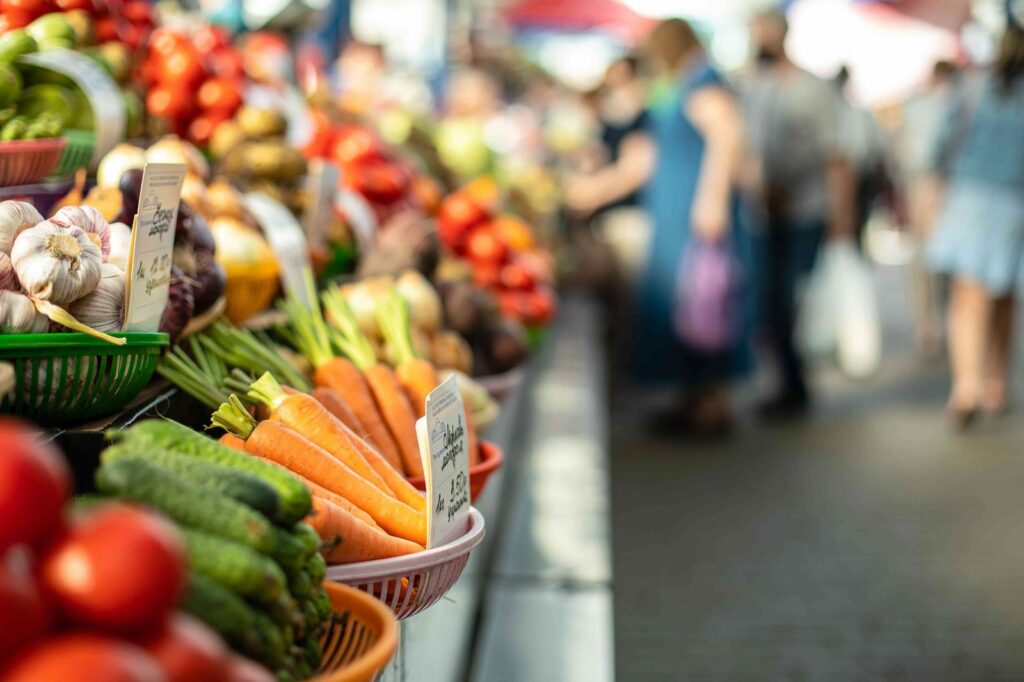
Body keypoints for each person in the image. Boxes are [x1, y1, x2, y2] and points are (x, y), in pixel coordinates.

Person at [567, 18, 747, 435]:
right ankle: (694, 401)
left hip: (694, 215)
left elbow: (728, 136)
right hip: (678, 214)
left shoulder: (702, 83)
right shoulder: (682, 85)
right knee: (685, 308)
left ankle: (711, 407)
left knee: (703, 303)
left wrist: (712, 200)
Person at [741, 9, 855, 418]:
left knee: (791, 300)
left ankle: (794, 384)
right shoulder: (752, 87)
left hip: (804, 211)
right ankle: (785, 381)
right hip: (762, 212)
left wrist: (841, 218)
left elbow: (836, 156)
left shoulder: (812, 88)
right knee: (768, 301)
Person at [927, 23, 1024, 429]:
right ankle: (995, 382)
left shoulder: (971, 86)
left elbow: (941, 147)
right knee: (1002, 296)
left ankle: (966, 385)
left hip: (969, 198)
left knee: (967, 299)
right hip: (1014, 202)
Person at [897, 60, 959, 355]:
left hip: (934, 186)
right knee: (929, 261)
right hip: (930, 185)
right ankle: (933, 324)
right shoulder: (930, 106)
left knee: (930, 262)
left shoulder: (923, 106)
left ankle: (933, 324)